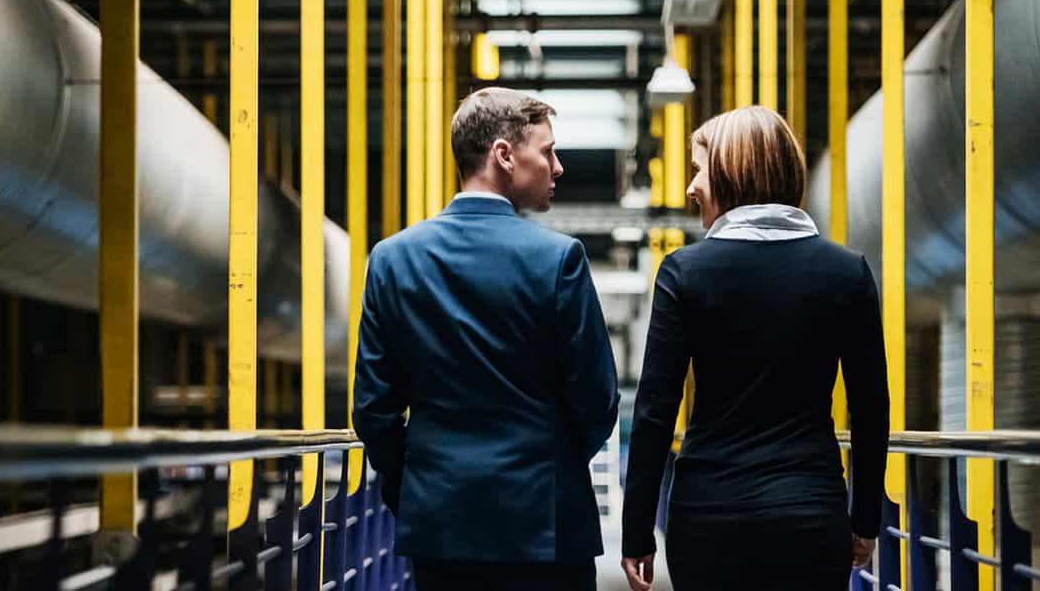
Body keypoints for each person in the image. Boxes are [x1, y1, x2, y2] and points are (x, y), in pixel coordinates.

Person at [352, 87, 620, 591]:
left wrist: (413, 487)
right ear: (503, 154)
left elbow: (373, 408)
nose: (557, 167)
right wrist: (552, 466)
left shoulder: (392, 259)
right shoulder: (558, 258)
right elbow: (597, 400)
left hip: (440, 524)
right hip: (545, 528)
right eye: (547, 151)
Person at [620, 106, 890, 590]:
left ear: (733, 171)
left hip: (709, 518)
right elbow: (871, 407)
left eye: (698, 169)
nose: (690, 186)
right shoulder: (847, 272)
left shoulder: (685, 272)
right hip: (810, 513)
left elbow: (655, 410)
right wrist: (866, 519)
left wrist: (637, 529)